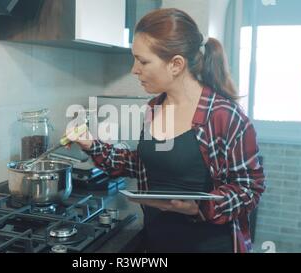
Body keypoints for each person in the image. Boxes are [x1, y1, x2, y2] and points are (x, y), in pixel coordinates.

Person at [68, 8, 266, 253]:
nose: (134, 69)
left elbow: (249, 189)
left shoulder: (224, 116)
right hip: (158, 242)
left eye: (143, 61)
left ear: (176, 64)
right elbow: (142, 164)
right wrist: (91, 144)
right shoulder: (155, 107)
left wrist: (198, 207)